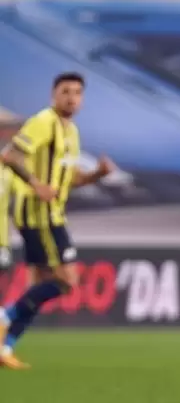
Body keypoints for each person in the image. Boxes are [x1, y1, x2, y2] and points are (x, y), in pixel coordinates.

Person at [0, 72, 117, 369]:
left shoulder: (71, 131)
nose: (71, 98)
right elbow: (10, 156)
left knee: (39, 286)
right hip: (39, 212)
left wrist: (97, 174)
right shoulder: (43, 122)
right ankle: (4, 317)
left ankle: (6, 347)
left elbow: (70, 178)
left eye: (77, 92)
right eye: (66, 91)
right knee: (66, 280)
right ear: (54, 95)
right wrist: (36, 184)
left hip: (51, 213)